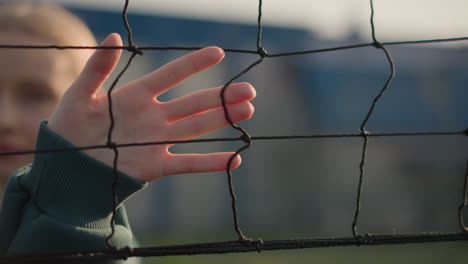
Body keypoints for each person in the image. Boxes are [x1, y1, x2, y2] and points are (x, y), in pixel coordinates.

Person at [0, 3, 256, 262]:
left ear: (93, 101)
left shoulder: (107, 235)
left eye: (36, 94)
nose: (4, 119)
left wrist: (76, 202)